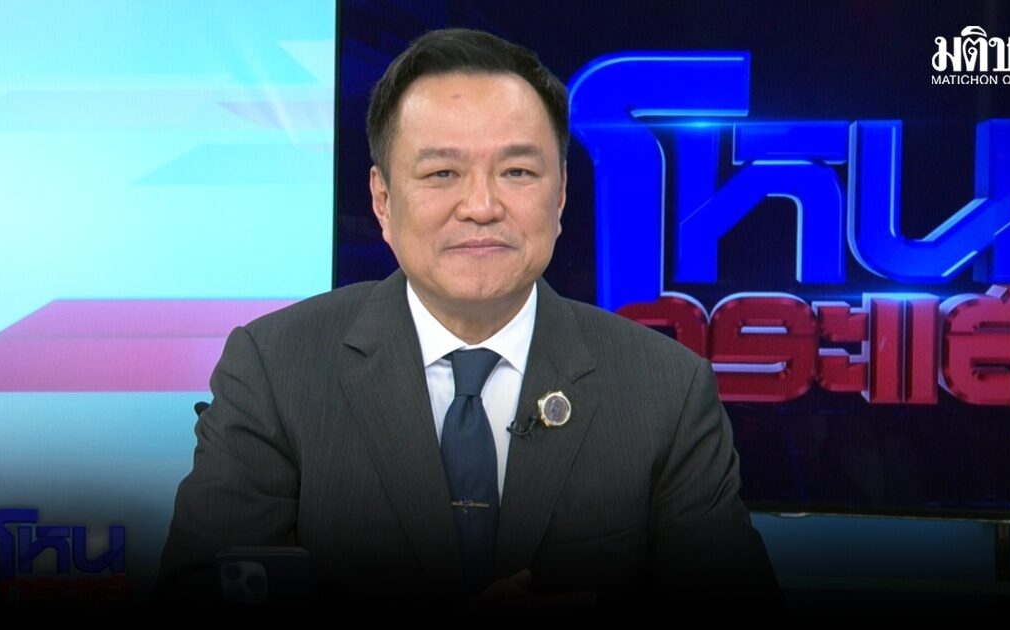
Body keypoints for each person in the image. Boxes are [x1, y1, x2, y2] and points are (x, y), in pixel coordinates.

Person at [156, 27, 781, 618]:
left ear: (561, 194)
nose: (481, 207)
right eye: (442, 174)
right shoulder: (276, 369)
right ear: (382, 200)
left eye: (517, 172)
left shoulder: (665, 391)